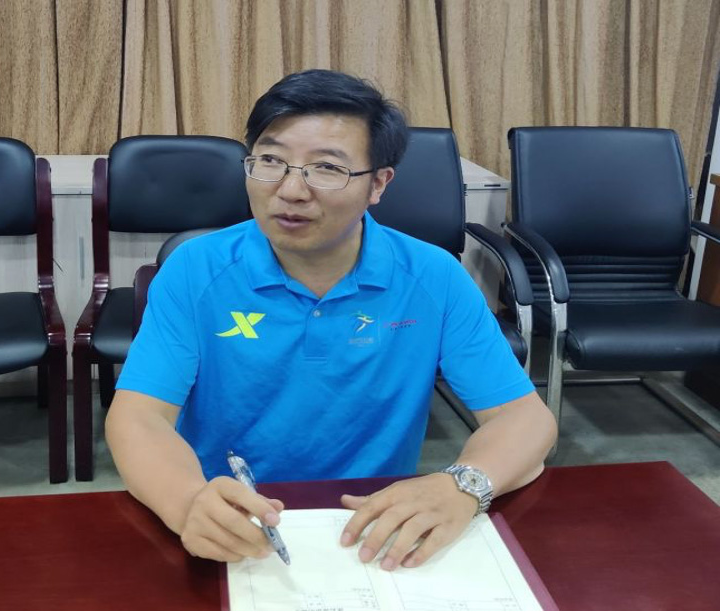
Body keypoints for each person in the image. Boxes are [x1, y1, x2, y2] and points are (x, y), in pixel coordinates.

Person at [106, 69, 557, 571]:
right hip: (232, 519)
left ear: (378, 184)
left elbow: (524, 418)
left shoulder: (434, 277)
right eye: (270, 160)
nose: (291, 190)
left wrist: (463, 485)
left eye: (326, 168)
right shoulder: (196, 270)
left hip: (370, 526)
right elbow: (138, 416)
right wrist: (188, 502)